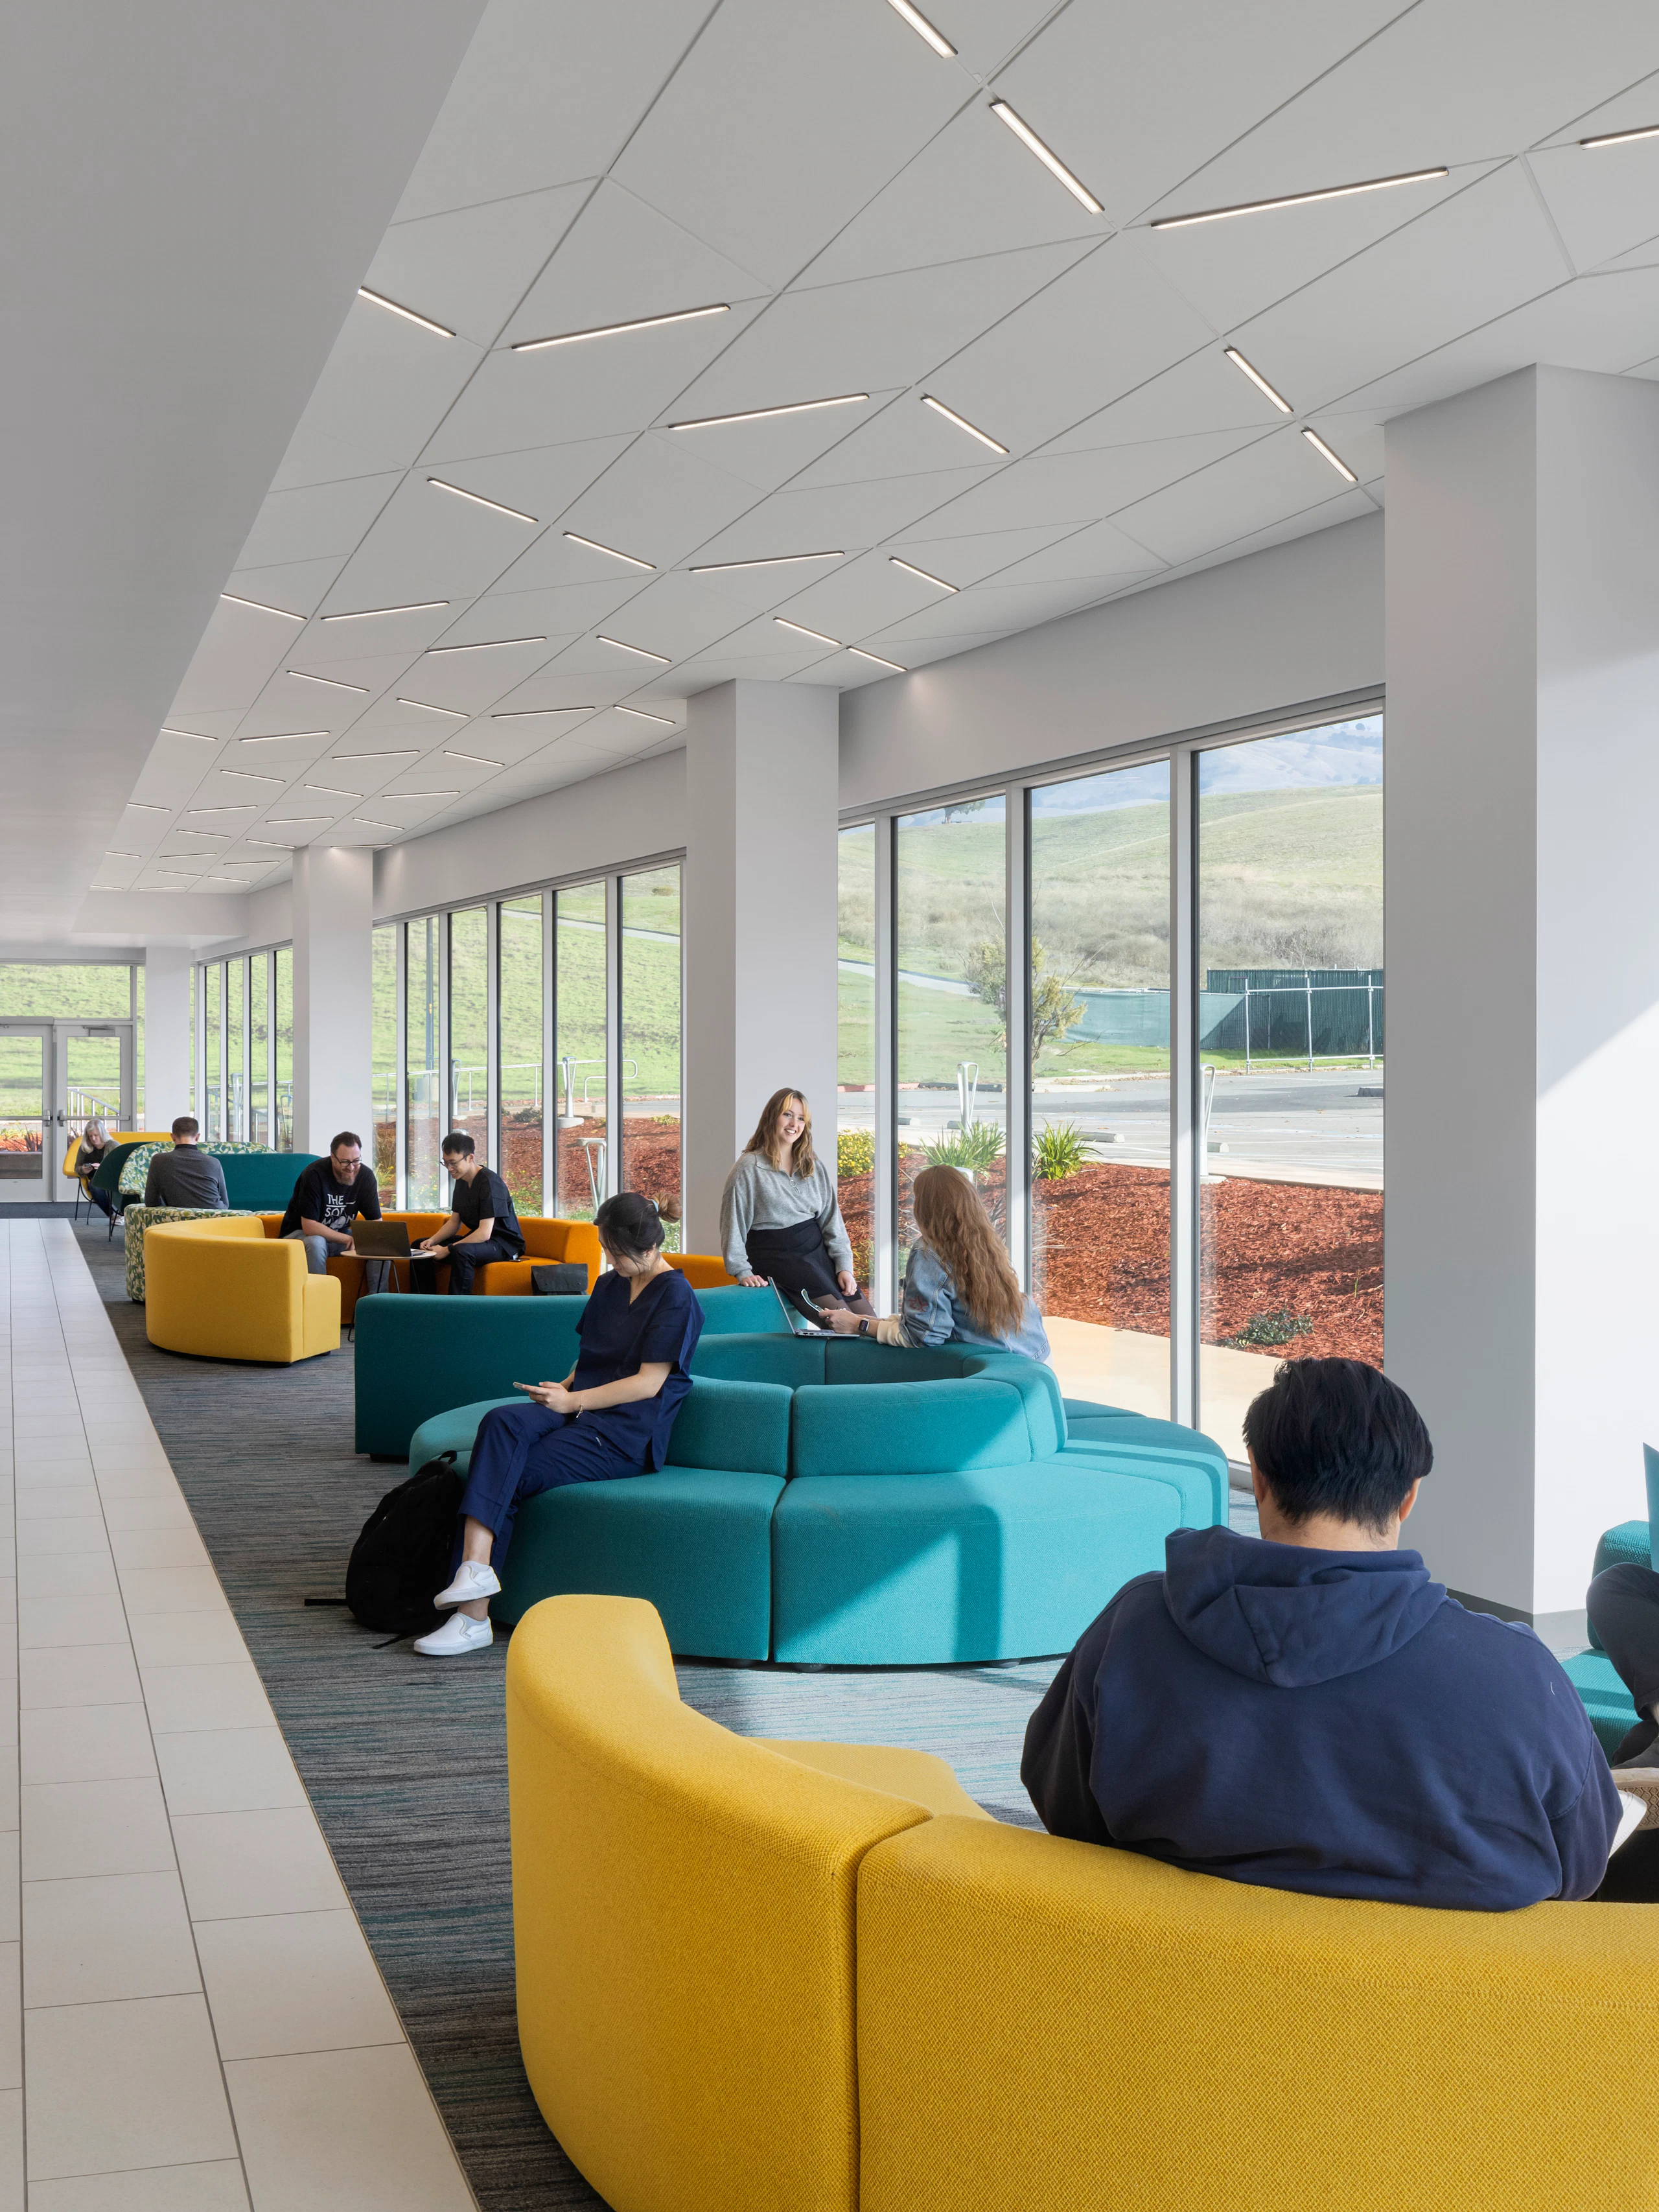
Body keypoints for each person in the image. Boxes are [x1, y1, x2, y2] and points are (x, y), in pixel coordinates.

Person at [1021, 1358, 1621, 1911]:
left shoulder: (1131, 1632)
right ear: (1409, 1496)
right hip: (1446, 1993)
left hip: (1175, 1984)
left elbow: (1064, 1814)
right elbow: (1583, 1867)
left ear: (1258, 1477)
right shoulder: (1520, 1677)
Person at [414, 1192, 704, 1657]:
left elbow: (648, 1383)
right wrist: (563, 1387)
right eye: (606, 1249)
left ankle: (472, 1618)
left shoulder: (676, 1297)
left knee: (509, 1474)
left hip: (622, 1434)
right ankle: (475, 1570)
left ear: (650, 1248)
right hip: (577, 1406)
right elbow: (590, 1356)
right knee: (501, 1422)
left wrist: (573, 1400)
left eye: (616, 1252)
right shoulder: (610, 1285)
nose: (609, 1260)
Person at [824, 1163, 1049, 1359]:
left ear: (924, 1207)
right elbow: (949, 1317)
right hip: (1035, 1356)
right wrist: (878, 1322)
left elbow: (922, 1337)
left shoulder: (929, 1253)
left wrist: (858, 1325)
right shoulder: (983, 1241)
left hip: (996, 1368)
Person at [720, 1087, 872, 1321]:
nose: (794, 1124)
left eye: (801, 1118)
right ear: (772, 1117)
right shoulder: (749, 1167)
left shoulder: (812, 1165)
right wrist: (742, 1271)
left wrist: (844, 1266)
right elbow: (732, 1224)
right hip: (779, 1257)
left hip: (817, 1254)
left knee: (871, 1322)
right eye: (788, 1115)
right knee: (844, 1322)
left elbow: (832, 1220)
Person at [409, 1131, 525, 1294]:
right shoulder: (462, 1181)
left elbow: (484, 1233)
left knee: (461, 1252)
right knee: (419, 1247)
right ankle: (425, 1301)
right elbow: (454, 1223)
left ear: (470, 1158)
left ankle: (457, 1307)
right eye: (445, 1163)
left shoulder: (490, 1183)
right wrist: (432, 1240)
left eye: (453, 1163)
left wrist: (447, 1249)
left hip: (504, 1245)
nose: (449, 1168)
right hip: (482, 1242)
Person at [278, 1131, 383, 1275]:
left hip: (338, 1237)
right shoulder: (314, 1174)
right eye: (345, 1162)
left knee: (379, 1244)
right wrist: (347, 1238)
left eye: (356, 1161)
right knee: (317, 1242)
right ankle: (319, 1290)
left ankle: (379, 1290)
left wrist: (377, 1239)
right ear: (333, 1158)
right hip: (299, 1237)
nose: (351, 1168)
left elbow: (376, 1222)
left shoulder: (365, 1176)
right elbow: (309, 1227)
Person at [142, 1117, 228, 1209]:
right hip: (215, 1215)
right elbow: (225, 1203)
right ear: (198, 1137)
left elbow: (151, 1202)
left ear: (172, 1137)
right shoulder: (213, 1162)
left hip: (178, 1217)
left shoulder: (158, 1160)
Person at [76, 1118, 114, 1218]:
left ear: (102, 1134)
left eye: (96, 1135)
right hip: (95, 1180)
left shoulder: (113, 1145)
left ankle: (121, 1214)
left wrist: (103, 1167)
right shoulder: (84, 1148)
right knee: (94, 1185)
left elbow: (123, 1166)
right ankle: (113, 1215)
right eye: (90, 1136)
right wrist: (82, 1170)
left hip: (112, 1179)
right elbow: (77, 1167)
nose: (93, 1139)